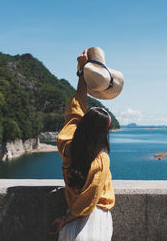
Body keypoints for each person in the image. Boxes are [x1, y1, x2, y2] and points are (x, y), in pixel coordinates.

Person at [50, 49, 115, 240]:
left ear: (82, 125)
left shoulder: (66, 145)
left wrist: (82, 70)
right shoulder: (100, 160)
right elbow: (87, 204)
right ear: (103, 135)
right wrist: (66, 219)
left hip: (72, 219)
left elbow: (76, 106)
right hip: (93, 221)